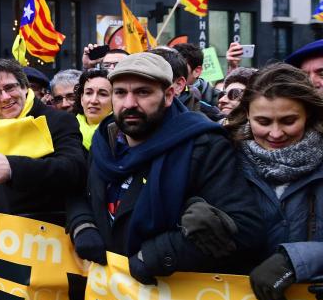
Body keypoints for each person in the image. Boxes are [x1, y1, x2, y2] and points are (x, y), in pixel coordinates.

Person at [66, 53, 265, 284]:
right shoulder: (104, 140)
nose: (129, 103)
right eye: (120, 92)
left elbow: (245, 227)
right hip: (110, 298)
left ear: (169, 95)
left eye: (143, 92)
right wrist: (83, 224)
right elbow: (79, 189)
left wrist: (159, 254)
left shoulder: (204, 144)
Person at [223, 64, 323, 300]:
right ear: (247, 113)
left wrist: (297, 260)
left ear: (307, 113)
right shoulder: (223, 158)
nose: (276, 134)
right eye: (263, 121)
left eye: (288, 121)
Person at [0, 59, 86, 225]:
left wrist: (13, 168)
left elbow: (74, 170)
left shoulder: (58, 121)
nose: (5, 97)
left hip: (43, 233)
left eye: (10, 87)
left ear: (24, 87)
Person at [73, 69, 112, 150]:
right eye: (89, 93)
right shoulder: (68, 129)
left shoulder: (122, 134)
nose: (94, 100)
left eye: (103, 94)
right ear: (81, 99)